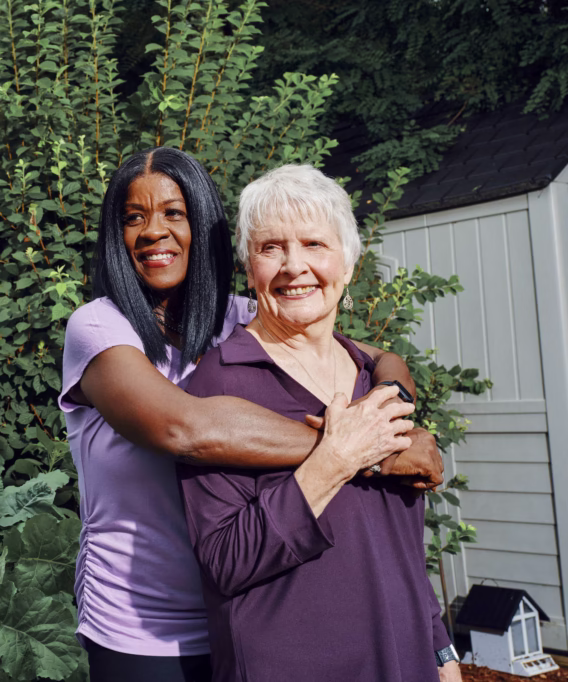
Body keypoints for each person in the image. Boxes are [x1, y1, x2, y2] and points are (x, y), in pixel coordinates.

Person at [59, 146, 445, 682]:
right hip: (145, 625)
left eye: (174, 213)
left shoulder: (240, 317)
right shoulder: (99, 327)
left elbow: (380, 356)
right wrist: (361, 451)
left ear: (204, 225)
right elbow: (186, 428)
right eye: (133, 217)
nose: (153, 231)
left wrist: (393, 406)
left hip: (249, 615)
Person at [177, 164, 461, 681]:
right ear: (249, 269)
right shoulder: (220, 384)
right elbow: (224, 562)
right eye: (271, 248)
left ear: (347, 265)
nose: (294, 266)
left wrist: (440, 650)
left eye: (314, 244)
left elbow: (399, 547)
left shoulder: (371, 381)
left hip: (403, 661)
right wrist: (334, 460)